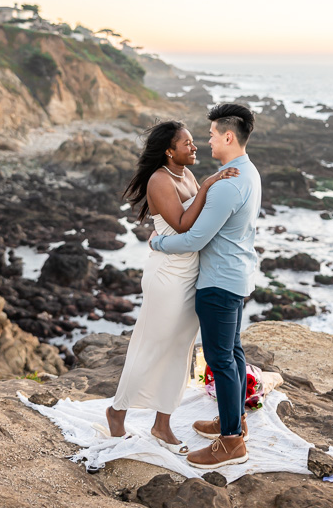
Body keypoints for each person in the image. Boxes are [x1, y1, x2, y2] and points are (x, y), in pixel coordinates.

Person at [102, 120, 239, 454]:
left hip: (193, 272)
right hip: (168, 275)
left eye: (194, 142)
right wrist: (208, 186)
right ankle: (116, 412)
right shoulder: (159, 180)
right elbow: (180, 224)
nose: (194, 147)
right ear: (169, 150)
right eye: (187, 143)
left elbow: (202, 218)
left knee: (181, 349)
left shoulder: (186, 175)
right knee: (153, 344)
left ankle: (162, 424)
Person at [149, 103, 261, 469]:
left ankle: (231, 442)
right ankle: (235, 421)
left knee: (221, 359)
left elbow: (193, 238)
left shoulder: (228, 186)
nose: (208, 140)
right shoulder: (248, 172)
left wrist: (157, 243)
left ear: (228, 136)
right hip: (238, 275)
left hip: (218, 283)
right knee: (234, 351)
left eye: (212, 134)